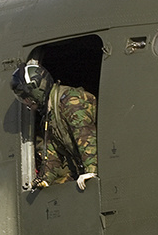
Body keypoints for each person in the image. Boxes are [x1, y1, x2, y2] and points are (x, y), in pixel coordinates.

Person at [11, 60, 98, 190]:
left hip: (100, 162)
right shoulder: (50, 114)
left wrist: (90, 170)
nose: (26, 102)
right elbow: (52, 151)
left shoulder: (70, 101)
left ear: (36, 92)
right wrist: (45, 180)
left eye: (26, 97)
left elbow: (85, 135)